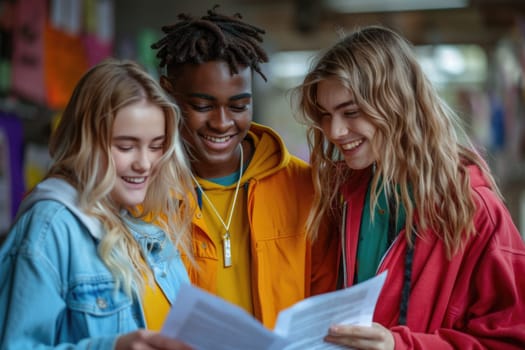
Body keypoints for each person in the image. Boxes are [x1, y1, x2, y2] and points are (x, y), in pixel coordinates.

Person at [293, 25, 525, 349]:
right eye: (325, 115)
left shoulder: (476, 209)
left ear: (398, 105)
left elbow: (510, 340)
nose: (335, 131)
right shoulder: (338, 195)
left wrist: (400, 346)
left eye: (351, 112)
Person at [151, 6, 331, 328]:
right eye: (202, 106)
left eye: (239, 106)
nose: (222, 123)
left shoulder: (305, 187)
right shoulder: (143, 193)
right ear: (168, 94)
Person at [0, 58, 194, 349]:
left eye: (156, 146)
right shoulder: (50, 228)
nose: (145, 163)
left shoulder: (150, 228)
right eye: (126, 146)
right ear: (85, 142)